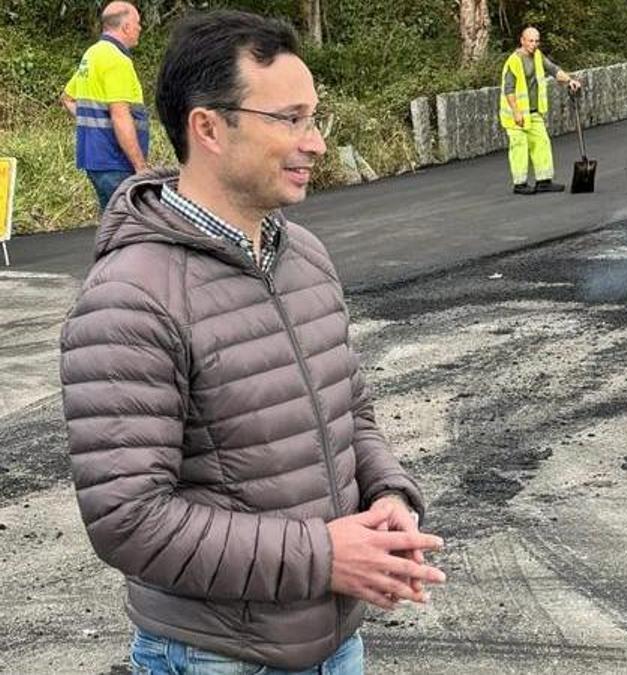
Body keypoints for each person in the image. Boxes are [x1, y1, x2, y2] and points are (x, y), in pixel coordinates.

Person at [59, 10, 447, 673]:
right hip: (216, 655)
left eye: (314, 117)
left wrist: (388, 497)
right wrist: (326, 555)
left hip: (334, 639)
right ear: (208, 126)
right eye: (289, 119)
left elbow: (349, 413)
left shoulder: (305, 257)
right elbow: (127, 518)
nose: (315, 142)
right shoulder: (131, 295)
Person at [62, 1, 149, 211]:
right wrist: (140, 166)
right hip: (115, 160)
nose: (140, 28)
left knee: (111, 223)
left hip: (93, 159)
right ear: (126, 27)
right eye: (137, 23)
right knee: (131, 225)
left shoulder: (92, 55)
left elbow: (67, 98)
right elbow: (120, 116)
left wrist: (96, 128)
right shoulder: (117, 60)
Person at [500, 26, 582, 195]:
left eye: (537, 41)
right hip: (516, 115)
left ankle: (543, 181)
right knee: (519, 147)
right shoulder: (514, 61)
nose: (534, 44)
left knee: (542, 143)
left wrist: (569, 81)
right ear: (522, 40)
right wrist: (516, 111)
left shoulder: (538, 56)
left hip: (534, 112)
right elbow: (508, 89)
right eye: (531, 41)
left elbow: (553, 69)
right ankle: (520, 184)